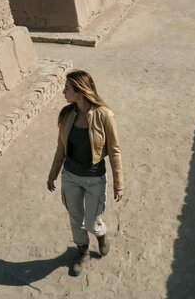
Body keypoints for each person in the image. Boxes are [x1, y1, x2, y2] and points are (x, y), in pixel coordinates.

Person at [47, 70, 124, 277]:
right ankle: (82, 253)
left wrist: (119, 182)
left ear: (80, 91)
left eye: (67, 88)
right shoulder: (66, 115)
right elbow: (60, 148)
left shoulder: (104, 115)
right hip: (70, 176)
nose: (63, 92)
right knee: (75, 218)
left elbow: (115, 150)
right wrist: (52, 174)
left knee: (92, 222)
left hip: (94, 179)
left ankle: (100, 235)